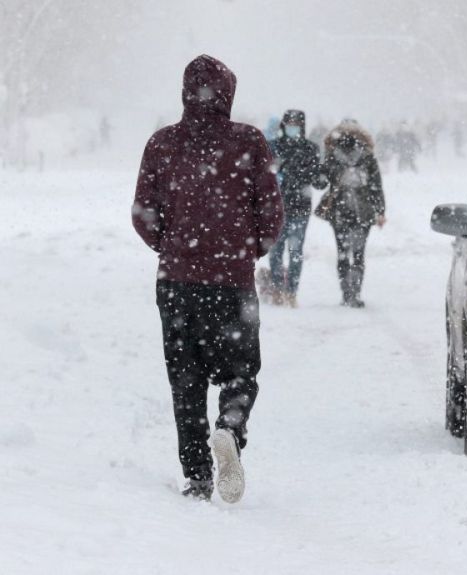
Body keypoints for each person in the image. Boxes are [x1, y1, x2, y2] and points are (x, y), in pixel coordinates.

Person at [131, 55, 283, 503]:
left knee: (186, 380)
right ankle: (230, 430)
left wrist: (173, 246)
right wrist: (245, 249)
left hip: (176, 284)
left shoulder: (162, 144)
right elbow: (271, 215)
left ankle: (197, 476)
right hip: (231, 282)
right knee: (240, 371)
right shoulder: (249, 143)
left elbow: (143, 213)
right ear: (228, 93)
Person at [315, 120, 386, 307]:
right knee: (358, 253)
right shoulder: (368, 156)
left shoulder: (332, 155)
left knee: (343, 252)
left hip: (339, 209)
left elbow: (321, 183)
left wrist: (321, 169)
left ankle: (347, 292)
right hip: (363, 210)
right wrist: (380, 211)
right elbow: (376, 186)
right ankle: (354, 292)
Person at [264, 109, 327, 307]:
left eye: (296, 123)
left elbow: (318, 179)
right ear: (283, 124)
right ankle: (276, 289)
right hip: (276, 207)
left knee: (296, 251)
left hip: (300, 207)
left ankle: (291, 291)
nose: (292, 126)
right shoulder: (273, 147)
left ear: (302, 125)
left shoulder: (310, 148)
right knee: (275, 251)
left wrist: (320, 177)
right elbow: (264, 174)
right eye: (289, 122)